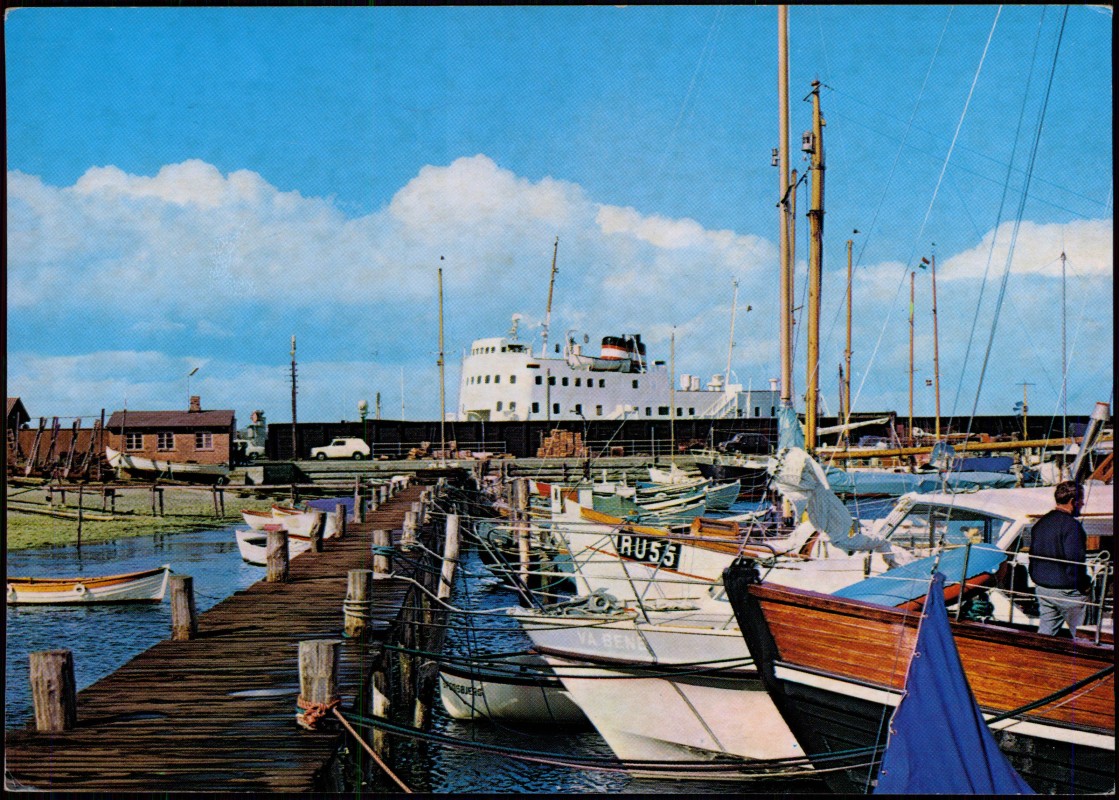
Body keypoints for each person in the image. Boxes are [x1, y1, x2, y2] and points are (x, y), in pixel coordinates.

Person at [1028, 481, 1090, 637]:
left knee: (1046, 634)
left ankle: (1041, 659)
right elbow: (1075, 562)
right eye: (1081, 500)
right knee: (1084, 636)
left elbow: (1032, 556)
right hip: (1067, 592)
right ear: (1072, 502)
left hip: (1043, 588)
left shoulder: (1040, 523)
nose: (1082, 503)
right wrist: (1084, 585)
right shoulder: (1072, 526)